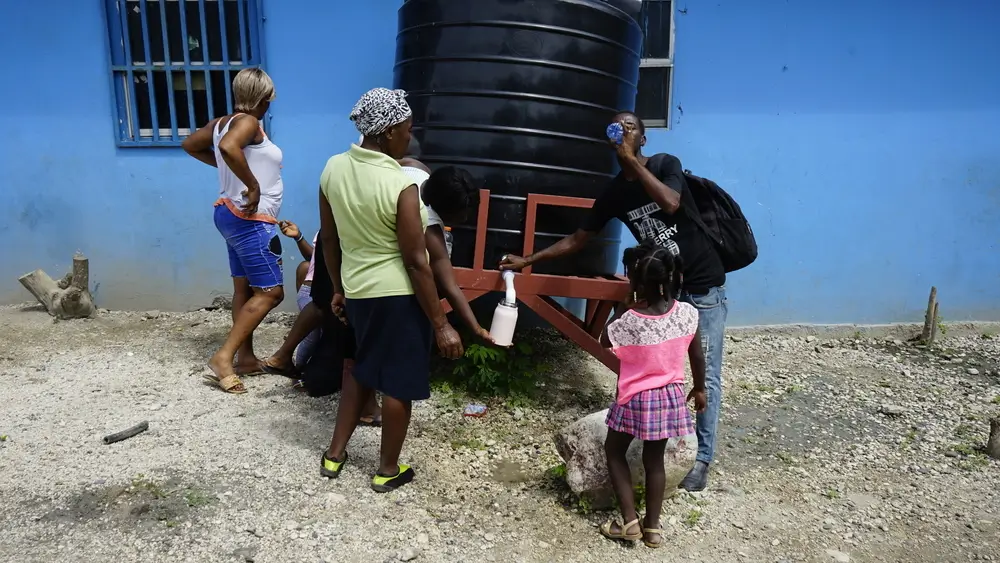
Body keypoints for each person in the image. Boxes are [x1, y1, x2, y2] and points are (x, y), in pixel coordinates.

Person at [500, 111, 728, 491]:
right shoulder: (614, 192)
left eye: (632, 127)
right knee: (656, 373)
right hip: (663, 296)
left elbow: (671, 203)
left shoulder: (665, 164)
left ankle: (701, 458)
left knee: (706, 375)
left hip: (702, 289)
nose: (624, 132)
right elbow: (578, 239)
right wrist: (529, 260)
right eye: (618, 128)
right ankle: (661, 446)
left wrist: (632, 164)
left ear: (643, 139)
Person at [318, 87, 464, 492]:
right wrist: (439, 324)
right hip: (398, 298)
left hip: (359, 292)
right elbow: (418, 262)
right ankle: (387, 470)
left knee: (362, 372)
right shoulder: (400, 185)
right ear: (385, 133)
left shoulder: (332, 169)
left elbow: (330, 240)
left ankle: (334, 455)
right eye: (405, 130)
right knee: (399, 383)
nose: (409, 138)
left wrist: (340, 288)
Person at [597, 240, 706, 548]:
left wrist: (624, 305)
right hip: (669, 396)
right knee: (654, 460)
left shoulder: (632, 319)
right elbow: (697, 357)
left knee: (614, 450)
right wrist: (699, 388)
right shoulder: (687, 313)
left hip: (636, 397)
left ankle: (630, 521)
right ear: (673, 277)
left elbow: (605, 338)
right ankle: (653, 529)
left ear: (639, 282)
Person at [182, 67, 283, 395]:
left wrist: (231, 169)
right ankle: (224, 358)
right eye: (268, 99)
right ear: (262, 99)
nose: (269, 105)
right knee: (270, 293)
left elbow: (191, 145)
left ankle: (247, 357)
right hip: (251, 220)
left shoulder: (221, 122)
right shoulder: (248, 123)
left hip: (229, 214)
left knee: (244, 289)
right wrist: (251, 185)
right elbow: (227, 148)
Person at [397, 157, 492, 341]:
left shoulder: (416, 169)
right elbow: (449, 285)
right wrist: (476, 328)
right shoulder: (429, 225)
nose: (464, 220)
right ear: (443, 208)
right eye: (460, 215)